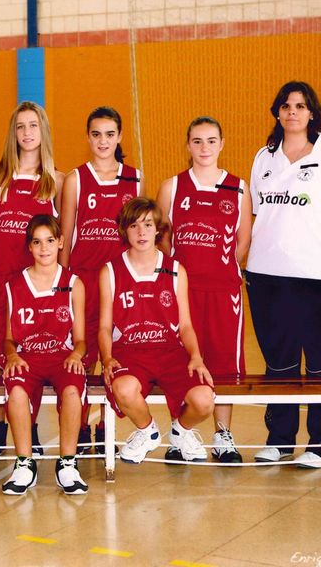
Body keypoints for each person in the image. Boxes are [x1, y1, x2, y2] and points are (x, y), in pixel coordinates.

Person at [247, 81, 321, 469]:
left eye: (300, 106)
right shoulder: (264, 158)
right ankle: (279, 440)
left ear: (312, 113)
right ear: (277, 113)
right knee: (278, 361)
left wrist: (317, 252)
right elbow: (259, 215)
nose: (292, 112)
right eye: (285, 106)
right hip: (267, 277)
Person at [156, 116, 251, 462]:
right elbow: (162, 240)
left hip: (224, 292)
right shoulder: (172, 187)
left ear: (222, 144)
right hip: (184, 293)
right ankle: (180, 435)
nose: (204, 147)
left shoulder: (238, 189)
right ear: (188, 145)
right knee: (182, 362)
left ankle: (223, 436)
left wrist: (218, 269)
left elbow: (242, 242)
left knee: (224, 364)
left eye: (211, 141)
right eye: (197, 141)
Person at [98, 197, 214, 464]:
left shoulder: (175, 269)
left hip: (169, 351)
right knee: (123, 388)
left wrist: (196, 356)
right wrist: (107, 358)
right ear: (124, 230)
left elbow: (185, 325)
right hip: (129, 351)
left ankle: (180, 431)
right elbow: (104, 326)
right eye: (134, 225)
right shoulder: (111, 271)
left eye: (148, 225)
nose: (141, 232)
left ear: (158, 229)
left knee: (204, 400)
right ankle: (147, 431)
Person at [0, 101, 63, 456]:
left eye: (33, 126)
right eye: (20, 126)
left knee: (34, 355)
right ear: (12, 133)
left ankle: (31, 427)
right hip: (0, 280)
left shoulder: (56, 181)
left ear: (43, 131)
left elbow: (60, 236)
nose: (27, 133)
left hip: (36, 286)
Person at [60, 106, 142, 453]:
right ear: (88, 137)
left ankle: (108, 427)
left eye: (110, 134)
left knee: (116, 355)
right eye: (96, 134)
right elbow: (65, 235)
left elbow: (141, 234)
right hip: (83, 280)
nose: (103, 141)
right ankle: (79, 427)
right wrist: (62, 284)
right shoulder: (76, 179)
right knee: (81, 354)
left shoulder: (135, 178)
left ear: (119, 136)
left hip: (119, 282)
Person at [1, 214, 87, 495]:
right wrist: (12, 356)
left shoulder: (74, 283)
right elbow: (8, 339)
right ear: (29, 246)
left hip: (62, 357)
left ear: (60, 242)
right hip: (27, 357)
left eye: (50, 240)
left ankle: (67, 463)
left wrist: (76, 355)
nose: (44, 248)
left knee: (72, 390)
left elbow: (81, 341)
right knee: (16, 392)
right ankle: (24, 463)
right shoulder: (14, 284)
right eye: (37, 242)